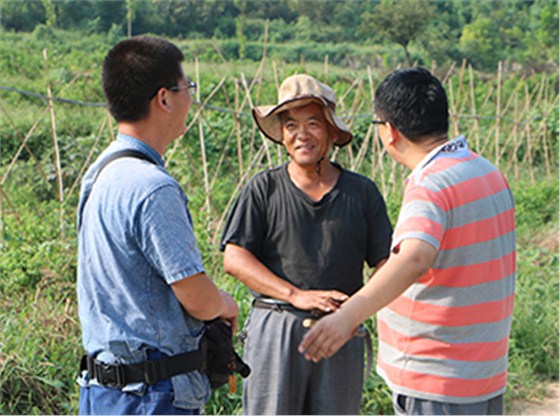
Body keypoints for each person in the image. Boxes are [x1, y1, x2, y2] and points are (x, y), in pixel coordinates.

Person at [299, 67, 516, 415]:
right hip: (484, 372)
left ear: (390, 132)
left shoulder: (430, 185)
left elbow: (414, 257)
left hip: (436, 376)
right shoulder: (487, 171)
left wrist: (347, 317)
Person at [76, 36, 238, 415]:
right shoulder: (153, 188)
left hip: (104, 391)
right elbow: (196, 296)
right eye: (187, 88)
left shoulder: (100, 173)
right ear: (164, 98)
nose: (191, 99)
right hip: (150, 396)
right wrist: (224, 304)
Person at [220, 73, 393, 415]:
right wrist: (295, 295)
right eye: (290, 126)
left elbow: (387, 265)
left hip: (340, 329)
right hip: (276, 326)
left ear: (331, 131)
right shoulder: (263, 190)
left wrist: (357, 311)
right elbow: (235, 258)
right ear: (282, 136)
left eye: (313, 123)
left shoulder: (361, 193)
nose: (302, 135)